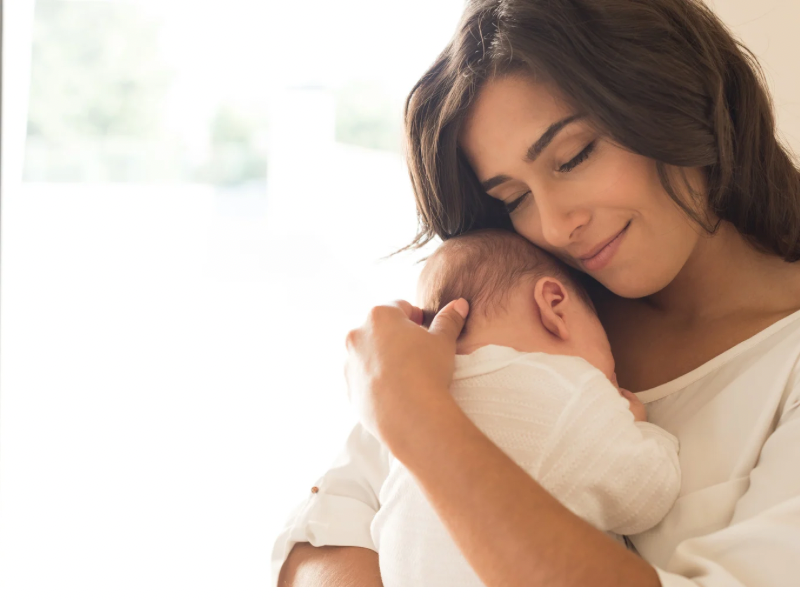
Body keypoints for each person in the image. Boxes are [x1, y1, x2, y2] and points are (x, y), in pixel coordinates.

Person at [275, 0, 800, 586]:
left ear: (677, 96)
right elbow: (317, 547)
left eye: (572, 157)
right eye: (513, 198)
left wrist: (420, 421)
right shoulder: (522, 309)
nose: (554, 226)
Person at [372, 229, 681, 586]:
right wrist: (639, 426)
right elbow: (647, 495)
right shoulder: (567, 389)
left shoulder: (416, 404)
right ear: (554, 305)